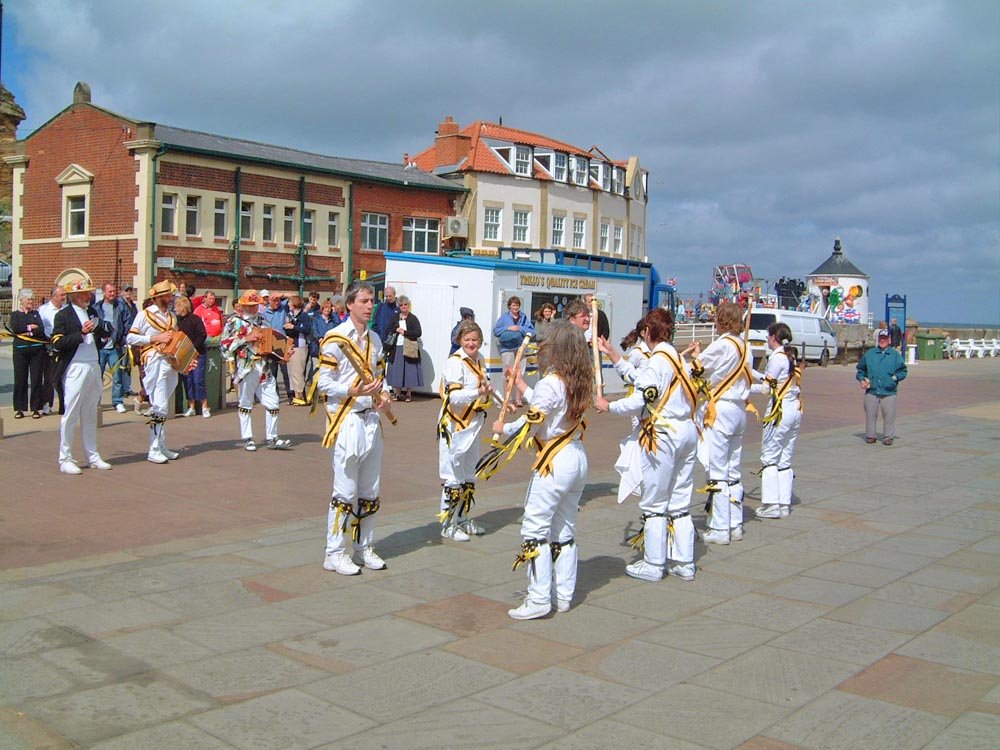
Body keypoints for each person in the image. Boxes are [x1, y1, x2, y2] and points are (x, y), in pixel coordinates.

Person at [492, 320, 592, 619]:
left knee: (535, 529)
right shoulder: (579, 380)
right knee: (564, 528)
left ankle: (538, 600)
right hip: (575, 456)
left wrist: (504, 428)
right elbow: (547, 404)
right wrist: (520, 384)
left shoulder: (552, 381)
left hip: (554, 461)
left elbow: (534, 420)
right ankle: (563, 595)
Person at [595, 308, 699, 582]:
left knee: (655, 501)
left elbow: (639, 399)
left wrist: (609, 406)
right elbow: (642, 380)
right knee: (680, 500)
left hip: (664, 434)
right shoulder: (676, 358)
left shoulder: (657, 362)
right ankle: (684, 562)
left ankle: (653, 564)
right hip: (687, 431)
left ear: (648, 331)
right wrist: (614, 356)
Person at [317, 280, 392, 576]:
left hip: (371, 419)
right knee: (345, 489)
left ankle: (363, 547)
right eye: (363, 301)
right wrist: (352, 390)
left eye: (372, 300)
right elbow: (322, 383)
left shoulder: (375, 339)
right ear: (349, 304)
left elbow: (380, 377)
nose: (369, 306)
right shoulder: (335, 338)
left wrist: (384, 396)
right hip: (346, 418)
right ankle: (334, 552)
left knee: (370, 488)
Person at [689, 301, 753, 545]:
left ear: (722, 321)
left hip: (721, 409)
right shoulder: (745, 346)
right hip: (739, 410)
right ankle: (735, 525)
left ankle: (719, 528)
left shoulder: (723, 344)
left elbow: (698, 369)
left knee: (717, 471)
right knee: (733, 470)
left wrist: (694, 358)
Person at [50, 272, 113, 474]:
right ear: (75, 296)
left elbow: (106, 331)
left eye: (89, 293)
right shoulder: (63, 315)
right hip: (75, 366)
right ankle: (65, 458)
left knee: (90, 412)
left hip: (93, 364)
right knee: (71, 413)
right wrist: (81, 333)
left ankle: (92, 455)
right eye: (85, 293)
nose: (89, 296)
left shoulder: (92, 311)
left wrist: (100, 328)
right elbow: (57, 342)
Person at [438, 320, 493, 541]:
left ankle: (462, 518)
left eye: (475, 339)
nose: (471, 343)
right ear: (460, 340)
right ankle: (447, 524)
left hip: (473, 425)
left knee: (469, 474)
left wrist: (501, 403)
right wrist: (477, 393)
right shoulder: (455, 362)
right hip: (454, 425)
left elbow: (486, 387)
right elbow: (453, 397)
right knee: (452, 476)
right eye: (467, 339)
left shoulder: (480, 360)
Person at [220, 290, 293, 452]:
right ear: (243, 305)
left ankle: (272, 437)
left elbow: (271, 342)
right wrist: (246, 338)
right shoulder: (234, 321)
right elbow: (223, 345)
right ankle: (248, 438)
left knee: (273, 402)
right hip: (246, 368)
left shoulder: (262, 319)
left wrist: (282, 354)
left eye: (255, 305)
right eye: (250, 305)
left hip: (265, 367)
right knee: (246, 403)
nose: (253, 308)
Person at [126, 280, 186, 464]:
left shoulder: (172, 316)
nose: (171, 298)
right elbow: (130, 337)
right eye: (168, 295)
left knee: (163, 406)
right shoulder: (145, 314)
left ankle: (160, 445)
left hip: (170, 362)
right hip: (154, 361)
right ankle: (153, 449)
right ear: (159, 297)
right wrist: (154, 338)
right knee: (159, 406)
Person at [751, 322, 802, 518]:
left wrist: (744, 389)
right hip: (795, 409)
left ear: (774, 337)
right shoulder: (790, 356)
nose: (766, 339)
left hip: (779, 411)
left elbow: (767, 388)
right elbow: (771, 380)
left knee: (769, 457)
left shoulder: (776, 358)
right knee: (784, 458)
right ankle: (783, 504)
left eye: (768, 336)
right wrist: (752, 373)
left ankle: (771, 504)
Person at [857, 329, 907, 445]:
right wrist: (862, 379)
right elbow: (860, 369)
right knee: (870, 415)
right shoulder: (870, 354)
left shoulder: (895, 355)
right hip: (872, 390)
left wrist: (895, 378)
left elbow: (903, 371)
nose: (882, 341)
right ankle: (870, 436)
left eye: (885, 338)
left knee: (889, 415)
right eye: (881, 339)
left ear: (889, 340)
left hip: (889, 391)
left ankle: (888, 437)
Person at [10, 288, 48, 419]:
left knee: (36, 378)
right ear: (22, 300)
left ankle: (36, 408)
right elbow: (16, 328)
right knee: (20, 379)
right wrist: (30, 327)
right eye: (29, 299)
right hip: (20, 350)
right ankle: (20, 408)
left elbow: (41, 329)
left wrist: (28, 332)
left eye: (32, 299)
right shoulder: (15, 315)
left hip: (37, 350)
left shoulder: (36, 314)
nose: (31, 302)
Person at [493, 296, 534, 407]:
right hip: (507, 349)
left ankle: (518, 400)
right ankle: (507, 400)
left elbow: (532, 330)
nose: (515, 307)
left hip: (521, 348)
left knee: (520, 374)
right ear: (509, 306)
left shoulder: (523, 317)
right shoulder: (503, 318)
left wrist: (520, 328)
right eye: (513, 305)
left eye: (517, 305)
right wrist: (508, 328)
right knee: (507, 374)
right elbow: (496, 331)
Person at [96, 283, 131, 414]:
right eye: (109, 291)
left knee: (117, 376)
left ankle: (118, 401)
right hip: (100, 348)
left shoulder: (121, 306)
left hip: (115, 347)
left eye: (113, 291)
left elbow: (127, 324)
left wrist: (122, 340)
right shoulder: (97, 307)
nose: (112, 294)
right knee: (97, 376)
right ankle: (96, 401)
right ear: (104, 292)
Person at [191, 291, 223, 418]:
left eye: (214, 298)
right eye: (210, 298)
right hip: (205, 343)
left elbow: (220, 323)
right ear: (204, 298)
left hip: (217, 342)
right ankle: (199, 406)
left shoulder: (216, 309)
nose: (212, 301)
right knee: (198, 378)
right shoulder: (199, 310)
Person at [175, 296, 208, 418]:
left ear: (183, 306)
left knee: (198, 380)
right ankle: (191, 407)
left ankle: (204, 406)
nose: (175, 309)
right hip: (184, 355)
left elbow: (202, 334)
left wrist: (192, 348)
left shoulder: (195, 319)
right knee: (187, 381)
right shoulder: (177, 321)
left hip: (198, 354)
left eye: (177, 306)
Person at [386, 295, 423, 402]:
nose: (403, 306)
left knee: (409, 371)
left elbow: (418, 332)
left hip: (409, 348)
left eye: (405, 304)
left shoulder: (413, 318)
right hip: (396, 348)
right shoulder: (395, 317)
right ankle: (397, 393)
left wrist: (405, 332)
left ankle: (408, 394)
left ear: (409, 305)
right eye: (401, 305)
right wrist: (396, 329)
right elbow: (388, 329)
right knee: (397, 371)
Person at [38, 284, 67, 415]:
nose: (64, 297)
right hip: (49, 346)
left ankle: (63, 404)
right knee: (50, 378)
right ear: (54, 296)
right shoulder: (43, 310)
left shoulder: (67, 309)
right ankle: (47, 404)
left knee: (63, 377)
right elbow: (40, 328)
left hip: (64, 346)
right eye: (62, 295)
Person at [261, 292, 291, 401]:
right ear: (269, 301)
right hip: (270, 343)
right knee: (272, 372)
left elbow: (293, 296)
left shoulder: (283, 308)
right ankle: (275, 395)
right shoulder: (264, 312)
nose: (277, 303)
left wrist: (280, 295)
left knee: (286, 371)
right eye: (274, 301)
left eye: (278, 300)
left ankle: (290, 395)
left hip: (283, 342)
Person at [284, 295, 313, 405]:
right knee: (291, 371)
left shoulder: (303, 316)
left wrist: (294, 327)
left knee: (298, 372)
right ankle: (295, 396)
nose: (288, 304)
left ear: (295, 303)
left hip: (300, 345)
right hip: (291, 345)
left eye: (290, 302)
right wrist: (287, 327)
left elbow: (307, 329)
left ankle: (300, 396)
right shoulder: (290, 315)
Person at [119, 286, 139, 399]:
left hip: (132, 337)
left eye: (130, 291)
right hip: (124, 338)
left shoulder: (133, 305)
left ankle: (127, 387)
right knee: (123, 364)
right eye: (126, 290)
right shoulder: (120, 305)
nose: (128, 293)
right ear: (122, 292)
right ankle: (123, 388)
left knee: (129, 364)